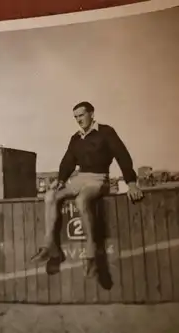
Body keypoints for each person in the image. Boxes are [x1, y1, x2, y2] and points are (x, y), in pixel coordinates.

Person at [31, 101, 143, 277]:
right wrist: (60, 180)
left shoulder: (106, 132)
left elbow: (122, 155)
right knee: (50, 195)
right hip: (79, 178)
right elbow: (68, 161)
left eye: (81, 115)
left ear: (91, 113)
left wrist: (131, 182)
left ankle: (91, 255)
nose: (78, 119)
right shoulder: (76, 138)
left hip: (99, 179)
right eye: (75, 117)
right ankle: (50, 248)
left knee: (81, 200)